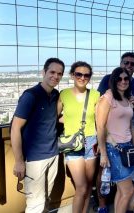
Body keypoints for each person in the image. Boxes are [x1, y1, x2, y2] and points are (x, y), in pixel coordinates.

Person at [11, 57, 65, 212]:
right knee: (35, 204)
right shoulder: (30, 96)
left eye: (59, 73)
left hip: (53, 155)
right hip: (34, 159)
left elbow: (52, 119)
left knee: (46, 199)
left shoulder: (55, 95)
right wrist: (19, 161)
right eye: (52, 72)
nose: (55, 76)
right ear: (44, 72)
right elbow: (15, 128)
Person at [57, 61, 100, 213]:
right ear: (72, 75)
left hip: (91, 141)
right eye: (78, 74)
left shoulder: (95, 95)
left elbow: (99, 121)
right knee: (81, 187)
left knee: (88, 186)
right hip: (72, 142)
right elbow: (55, 117)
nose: (82, 77)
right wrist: (69, 121)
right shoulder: (64, 94)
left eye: (86, 75)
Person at [96, 67, 134, 213]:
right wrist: (103, 154)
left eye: (126, 78)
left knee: (121, 190)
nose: (123, 81)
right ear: (113, 80)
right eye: (119, 79)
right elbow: (100, 126)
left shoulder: (127, 98)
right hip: (114, 148)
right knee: (128, 191)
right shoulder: (108, 98)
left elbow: (130, 123)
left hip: (127, 148)